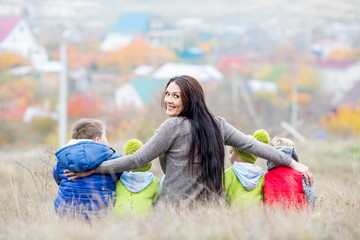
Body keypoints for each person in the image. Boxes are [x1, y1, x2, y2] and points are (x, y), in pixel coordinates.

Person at [65, 75, 313, 206]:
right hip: (213, 211)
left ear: (189, 99)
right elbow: (251, 145)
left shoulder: (172, 126)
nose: (169, 100)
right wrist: (291, 162)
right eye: (167, 94)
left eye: (176, 96)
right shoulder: (218, 124)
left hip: (173, 211)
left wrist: (94, 169)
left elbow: (138, 159)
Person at [53, 118, 122, 220]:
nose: (106, 139)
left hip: (65, 213)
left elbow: (57, 178)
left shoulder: (64, 159)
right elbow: (122, 176)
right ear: (97, 140)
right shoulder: (112, 157)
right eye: (105, 135)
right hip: (100, 215)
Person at [263, 137, 316, 210]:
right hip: (299, 215)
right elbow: (311, 197)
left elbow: (262, 198)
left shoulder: (265, 177)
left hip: (272, 215)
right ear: (293, 154)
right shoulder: (302, 176)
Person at [223, 129, 269, 209]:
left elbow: (219, 197)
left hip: (234, 216)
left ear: (241, 156)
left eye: (231, 153)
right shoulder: (262, 176)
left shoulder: (228, 174)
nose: (228, 157)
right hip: (256, 217)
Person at [114, 139, 160, 217]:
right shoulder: (154, 182)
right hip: (145, 223)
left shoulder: (118, 181)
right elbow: (158, 204)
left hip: (119, 223)